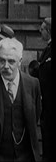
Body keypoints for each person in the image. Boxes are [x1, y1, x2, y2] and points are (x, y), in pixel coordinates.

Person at [38, 17, 52, 162]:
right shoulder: (47, 48)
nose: (40, 32)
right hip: (46, 102)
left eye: (42, 29)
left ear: (48, 31)